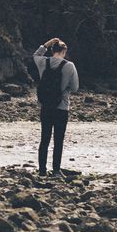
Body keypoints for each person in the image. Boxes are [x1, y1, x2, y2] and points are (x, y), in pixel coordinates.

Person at [30, 37, 80, 176]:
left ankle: (42, 171)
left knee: (44, 139)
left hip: (45, 106)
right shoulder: (69, 66)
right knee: (58, 140)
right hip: (62, 107)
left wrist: (46, 44)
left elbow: (35, 55)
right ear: (64, 51)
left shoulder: (42, 62)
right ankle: (56, 170)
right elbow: (75, 88)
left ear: (52, 50)